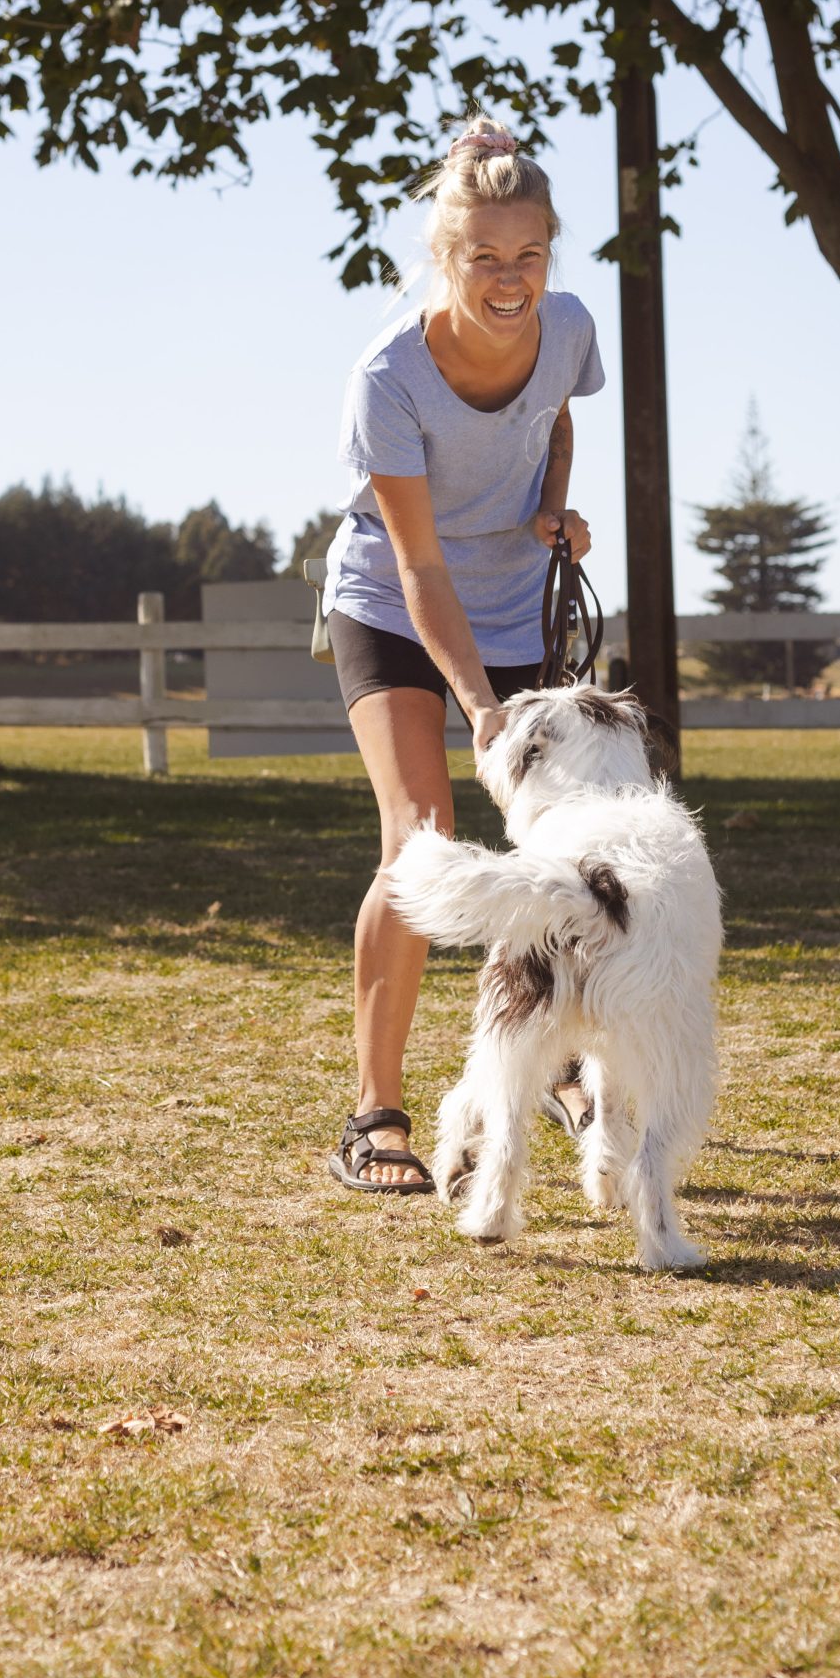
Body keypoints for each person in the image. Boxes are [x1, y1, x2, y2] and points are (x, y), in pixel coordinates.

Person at [321, 119, 604, 1191]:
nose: (508, 279)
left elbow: (557, 416)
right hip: (396, 602)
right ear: (447, 257)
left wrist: (551, 507)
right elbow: (419, 568)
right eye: (483, 257)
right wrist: (482, 703)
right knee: (420, 842)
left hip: (518, 600)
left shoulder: (567, 324)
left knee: (560, 850)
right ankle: (375, 1113)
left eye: (527, 256)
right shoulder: (389, 374)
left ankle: (563, 1065)